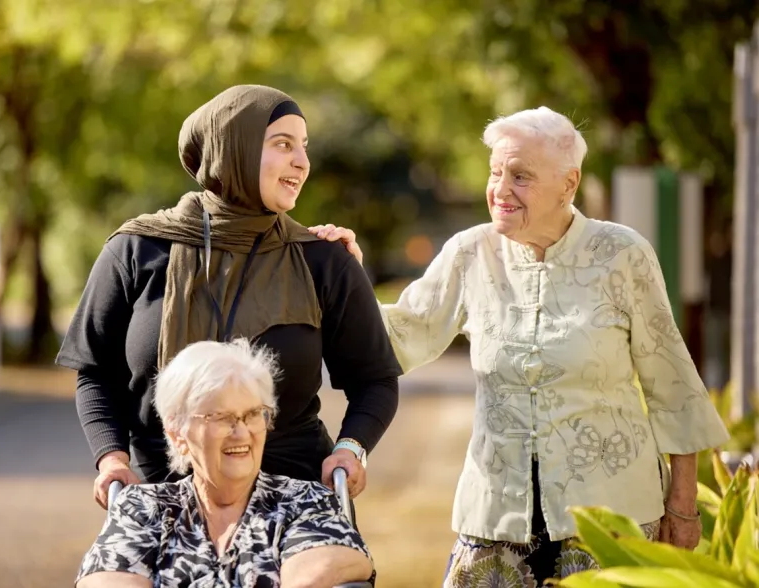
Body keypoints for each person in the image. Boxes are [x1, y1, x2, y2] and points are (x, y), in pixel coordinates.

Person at [309, 106, 730, 586]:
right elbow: (402, 334)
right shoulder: (471, 253)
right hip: (497, 517)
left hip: (610, 520)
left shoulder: (622, 255)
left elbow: (670, 381)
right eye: (495, 172)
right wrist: (347, 278)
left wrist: (682, 505)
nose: (501, 189)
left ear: (569, 185)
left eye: (521, 176)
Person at [56, 85, 401, 510]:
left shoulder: (323, 260)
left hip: (292, 500)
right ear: (232, 149)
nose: (303, 162)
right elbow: (95, 372)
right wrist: (111, 458)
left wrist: (350, 448)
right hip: (160, 498)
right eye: (282, 144)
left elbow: (376, 380)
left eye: (304, 147)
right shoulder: (135, 249)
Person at [75, 338, 375, 588]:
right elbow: (106, 580)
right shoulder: (143, 508)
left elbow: (337, 560)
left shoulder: (304, 501)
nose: (241, 431)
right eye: (221, 417)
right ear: (177, 433)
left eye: (253, 414)